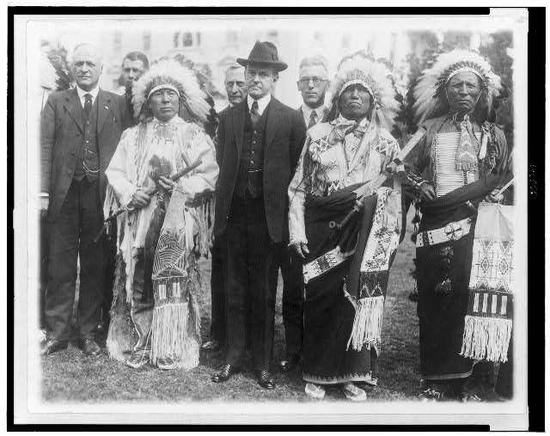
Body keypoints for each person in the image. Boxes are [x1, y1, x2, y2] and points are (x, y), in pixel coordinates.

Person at [288, 53, 402, 401]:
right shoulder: (317, 134)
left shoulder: (387, 144)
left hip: (364, 235)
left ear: (373, 102)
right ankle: (319, 373)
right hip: (322, 230)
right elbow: (298, 188)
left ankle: (354, 374)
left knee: (354, 301)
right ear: (337, 97)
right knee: (321, 299)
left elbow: (395, 198)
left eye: (362, 92)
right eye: (349, 91)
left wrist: (381, 213)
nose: (355, 96)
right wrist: (298, 232)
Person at [404, 49, 511, 401]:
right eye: (457, 85)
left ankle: (468, 382)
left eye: (471, 86)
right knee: (436, 302)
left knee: (471, 302)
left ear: (481, 93)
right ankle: (435, 379)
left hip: (477, 230)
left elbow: (498, 179)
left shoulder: (492, 135)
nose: (464, 91)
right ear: (445, 91)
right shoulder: (429, 129)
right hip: (436, 226)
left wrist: (492, 196)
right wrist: (421, 187)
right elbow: (401, 166)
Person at [103, 60, 219, 370]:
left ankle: (173, 344)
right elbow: (115, 172)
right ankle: (140, 340)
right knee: (138, 277)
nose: (165, 100)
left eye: (171, 95)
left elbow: (208, 176)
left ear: (181, 100)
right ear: (147, 101)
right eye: (158, 95)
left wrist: (181, 186)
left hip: (177, 222)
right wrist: (132, 193)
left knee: (173, 278)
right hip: (140, 219)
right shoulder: (134, 135)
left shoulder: (194, 135)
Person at [212, 41, 306, 389]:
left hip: (270, 219)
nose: (255, 80)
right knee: (234, 288)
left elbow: (297, 170)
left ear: (274, 78)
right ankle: (233, 357)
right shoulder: (228, 116)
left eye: (262, 74)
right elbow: (222, 167)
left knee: (264, 291)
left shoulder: (290, 118)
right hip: (235, 216)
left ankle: (262, 363)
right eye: (251, 73)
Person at [40, 43, 130, 356]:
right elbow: (45, 148)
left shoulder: (117, 104)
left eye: (90, 63)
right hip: (63, 195)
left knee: (95, 264)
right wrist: (43, 192)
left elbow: (129, 148)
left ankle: (89, 332)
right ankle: (57, 332)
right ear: (71, 68)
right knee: (60, 265)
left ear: (101, 68)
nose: (84, 69)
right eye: (79, 63)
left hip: (100, 196)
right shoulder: (56, 101)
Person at [202, 63, 247, 353]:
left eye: (239, 84)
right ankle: (219, 332)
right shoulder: (219, 119)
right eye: (229, 84)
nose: (234, 89)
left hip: (251, 205)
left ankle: (247, 334)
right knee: (220, 269)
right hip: (223, 204)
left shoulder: (266, 117)